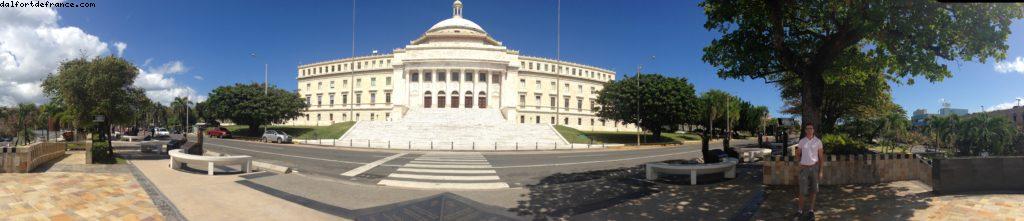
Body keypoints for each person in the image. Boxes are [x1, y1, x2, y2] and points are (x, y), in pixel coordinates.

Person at [795, 123, 824, 218]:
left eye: (811, 128)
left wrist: (820, 171)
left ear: (813, 130)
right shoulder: (802, 141)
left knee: (813, 190)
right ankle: (800, 210)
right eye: (807, 129)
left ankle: (811, 210)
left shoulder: (818, 141)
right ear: (805, 130)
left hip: (814, 168)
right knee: (802, 191)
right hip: (804, 168)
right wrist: (799, 162)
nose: (809, 130)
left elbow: (821, 157)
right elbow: (798, 153)